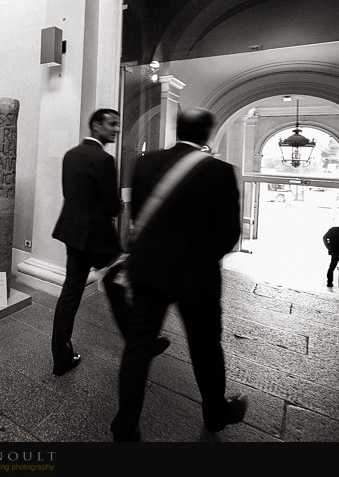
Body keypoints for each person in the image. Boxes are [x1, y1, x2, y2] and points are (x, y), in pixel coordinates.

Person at [111, 108, 246, 442]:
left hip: (148, 270)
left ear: (177, 128)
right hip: (196, 277)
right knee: (205, 347)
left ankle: (125, 426)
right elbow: (229, 233)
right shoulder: (220, 171)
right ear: (208, 134)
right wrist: (198, 258)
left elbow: (139, 214)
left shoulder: (145, 163)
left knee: (138, 349)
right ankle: (215, 412)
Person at [50, 109, 168, 376]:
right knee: (118, 289)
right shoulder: (103, 159)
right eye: (112, 124)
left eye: (118, 124)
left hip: (72, 233)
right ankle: (141, 342)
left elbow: (70, 194)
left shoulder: (71, 154)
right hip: (98, 239)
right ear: (95, 125)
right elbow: (111, 206)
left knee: (71, 294)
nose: (116, 129)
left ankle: (61, 356)